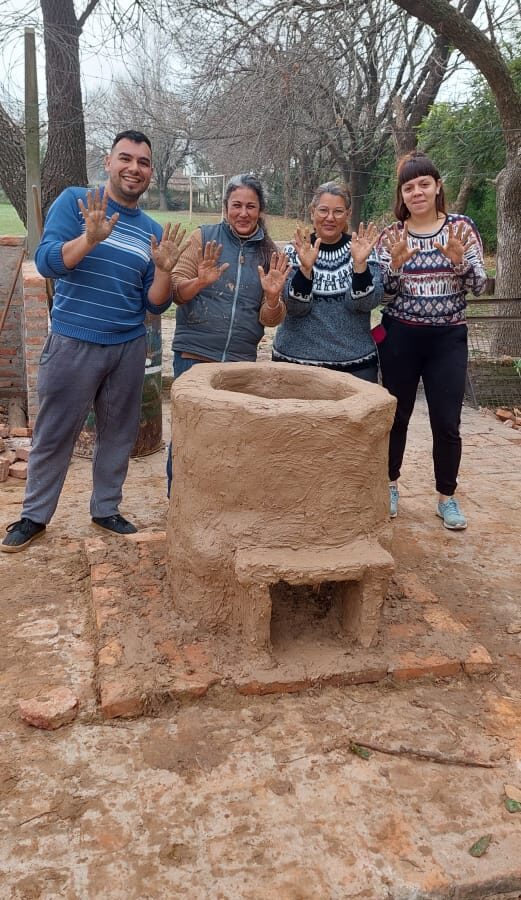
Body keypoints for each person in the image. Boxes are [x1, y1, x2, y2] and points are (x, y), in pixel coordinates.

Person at [1, 130, 186, 553]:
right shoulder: (76, 203)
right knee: (54, 434)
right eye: (126, 158)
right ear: (108, 161)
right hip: (73, 341)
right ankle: (34, 516)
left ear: (150, 172)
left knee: (118, 434)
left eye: (142, 162)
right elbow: (48, 263)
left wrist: (163, 270)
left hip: (127, 346)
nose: (133, 168)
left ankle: (106, 508)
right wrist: (89, 238)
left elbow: (153, 305)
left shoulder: (151, 230)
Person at [376, 150, 487, 530]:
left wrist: (459, 261)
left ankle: (447, 497)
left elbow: (480, 286)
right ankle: (388, 485)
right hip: (400, 335)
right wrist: (393, 266)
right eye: (409, 187)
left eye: (424, 183)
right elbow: (383, 294)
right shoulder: (392, 235)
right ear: (402, 194)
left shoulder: (461, 228)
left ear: (437, 186)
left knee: (447, 420)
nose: (417, 192)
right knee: (396, 416)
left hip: (448, 338)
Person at [167, 173, 290, 493]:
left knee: (229, 441)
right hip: (193, 357)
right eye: (236, 205)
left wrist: (274, 296)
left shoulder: (269, 253)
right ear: (225, 207)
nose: (243, 213)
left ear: (260, 210)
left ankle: (217, 508)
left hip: (238, 364)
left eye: (251, 206)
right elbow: (176, 292)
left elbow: (271, 318)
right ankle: (178, 504)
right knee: (187, 437)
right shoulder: (203, 238)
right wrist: (200, 283)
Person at [272, 182, 383, 382]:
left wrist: (359, 266)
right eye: (323, 210)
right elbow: (296, 308)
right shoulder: (293, 251)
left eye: (338, 211)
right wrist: (305, 270)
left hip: (354, 366)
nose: (330, 218)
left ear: (348, 214)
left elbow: (365, 304)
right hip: (296, 365)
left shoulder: (364, 250)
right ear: (313, 211)